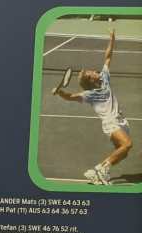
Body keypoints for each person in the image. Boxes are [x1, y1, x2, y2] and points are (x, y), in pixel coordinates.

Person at [54, 28, 132, 185]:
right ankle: (101, 169)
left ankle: (96, 172)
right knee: (127, 144)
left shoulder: (104, 78)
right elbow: (70, 97)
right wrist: (59, 92)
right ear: (91, 80)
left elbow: (108, 56)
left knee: (123, 152)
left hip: (121, 121)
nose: (94, 71)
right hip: (111, 123)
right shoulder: (90, 94)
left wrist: (112, 38)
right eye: (91, 73)